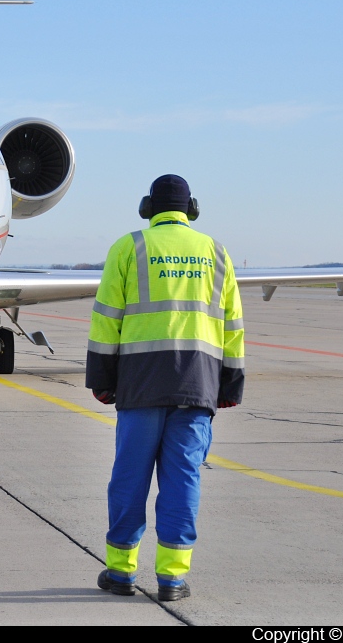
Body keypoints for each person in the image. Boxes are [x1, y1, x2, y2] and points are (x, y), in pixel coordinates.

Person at [86, 174, 244, 602]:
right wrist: (230, 382)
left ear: (147, 208)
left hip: (140, 384)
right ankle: (173, 578)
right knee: (183, 480)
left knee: (129, 478)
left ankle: (120, 572)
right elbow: (232, 326)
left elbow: (106, 321)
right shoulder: (216, 252)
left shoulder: (129, 247)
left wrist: (101, 379)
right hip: (197, 387)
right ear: (191, 208)